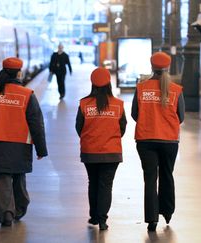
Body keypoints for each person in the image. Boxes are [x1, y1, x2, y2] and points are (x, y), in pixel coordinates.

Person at [0, 57, 48, 227]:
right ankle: (20, 208)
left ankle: (6, 214)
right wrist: (41, 149)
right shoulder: (27, 95)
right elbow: (36, 123)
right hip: (21, 144)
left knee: (2, 179)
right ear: (19, 73)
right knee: (18, 176)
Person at [132, 51, 185, 232]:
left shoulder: (141, 88)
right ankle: (167, 212)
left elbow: (134, 114)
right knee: (167, 175)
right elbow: (181, 116)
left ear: (152, 67)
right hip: (169, 140)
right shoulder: (176, 90)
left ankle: (151, 219)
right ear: (168, 67)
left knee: (150, 178)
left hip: (146, 139)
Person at [75, 67, 126, 230]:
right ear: (109, 84)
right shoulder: (118, 104)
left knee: (93, 182)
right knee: (106, 185)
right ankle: (103, 219)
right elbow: (122, 128)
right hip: (112, 152)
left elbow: (79, 127)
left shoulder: (84, 103)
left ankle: (94, 216)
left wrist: (90, 138)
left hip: (90, 151)